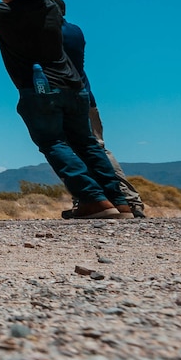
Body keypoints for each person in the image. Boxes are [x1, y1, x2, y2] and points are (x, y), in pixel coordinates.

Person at [0, 0, 128, 220]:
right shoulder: (50, 8)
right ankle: (119, 202)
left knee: (54, 143)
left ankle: (93, 200)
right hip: (74, 86)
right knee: (88, 145)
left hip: (40, 89)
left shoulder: (5, 13)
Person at [60, 21, 145, 217]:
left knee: (82, 150)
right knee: (94, 148)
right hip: (86, 98)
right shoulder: (75, 31)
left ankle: (111, 200)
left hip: (67, 98)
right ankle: (123, 200)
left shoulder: (51, 31)